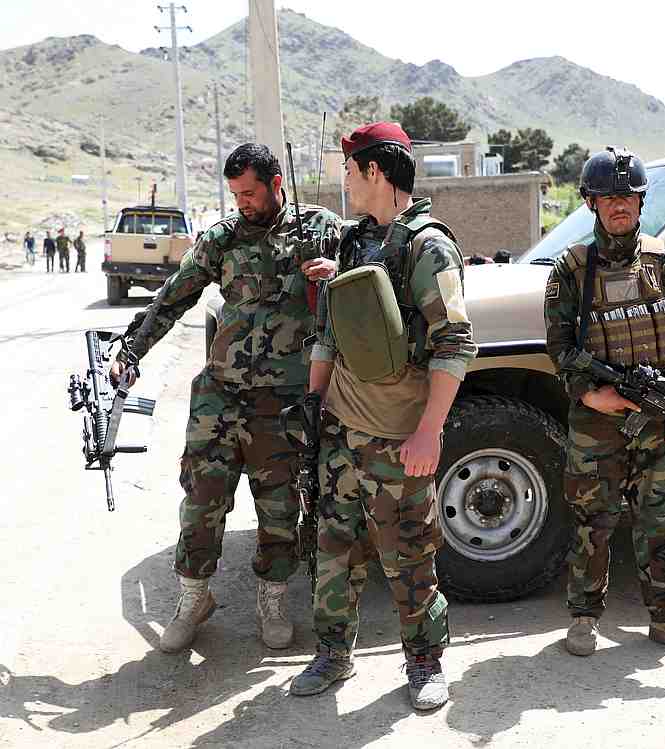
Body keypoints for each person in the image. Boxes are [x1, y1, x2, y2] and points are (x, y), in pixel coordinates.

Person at [110, 143, 342, 653]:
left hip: (283, 402)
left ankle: (273, 600)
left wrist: (335, 274)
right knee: (200, 500)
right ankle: (193, 598)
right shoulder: (221, 239)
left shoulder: (322, 229)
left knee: (279, 509)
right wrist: (132, 348)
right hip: (220, 397)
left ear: (277, 184)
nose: (242, 202)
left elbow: (371, 274)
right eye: (236, 193)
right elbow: (173, 296)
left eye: (251, 193)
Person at [289, 122, 476, 711]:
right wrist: (315, 407)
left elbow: (455, 343)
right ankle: (332, 652)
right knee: (333, 547)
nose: (344, 182)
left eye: (349, 170)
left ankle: (424, 662)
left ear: (375, 171)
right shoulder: (353, 242)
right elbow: (329, 335)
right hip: (342, 429)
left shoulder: (428, 247)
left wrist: (430, 431)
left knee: (409, 554)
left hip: (398, 437)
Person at [544, 147, 665, 659]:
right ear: (592, 203)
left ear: (641, 201)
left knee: (658, 518)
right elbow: (560, 347)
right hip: (597, 422)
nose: (620, 205)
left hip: (660, 418)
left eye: (628, 196)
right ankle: (584, 617)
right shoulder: (571, 270)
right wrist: (592, 393)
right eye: (609, 197)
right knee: (594, 520)